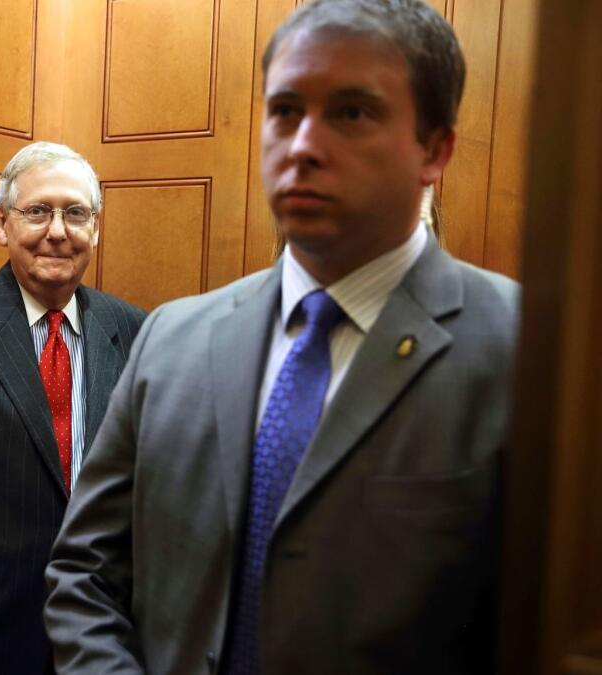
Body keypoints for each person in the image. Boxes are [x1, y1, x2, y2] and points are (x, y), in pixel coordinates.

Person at [44, 2, 519, 673]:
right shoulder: (172, 338)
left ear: (435, 148)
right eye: (285, 110)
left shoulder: (527, 353)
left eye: (352, 112)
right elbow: (84, 572)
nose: (302, 146)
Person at [0, 141, 146, 674]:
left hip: (103, 632)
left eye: (76, 213)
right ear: (2, 223)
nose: (58, 231)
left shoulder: (136, 331)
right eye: (38, 211)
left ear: (97, 228)